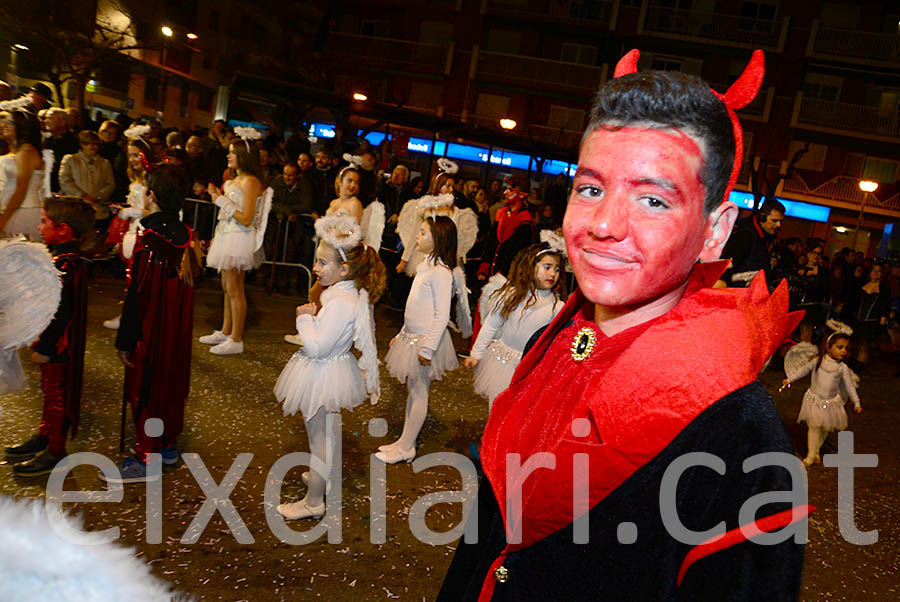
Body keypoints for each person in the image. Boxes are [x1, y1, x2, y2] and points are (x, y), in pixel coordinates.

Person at [437, 49, 808, 601]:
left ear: (715, 231)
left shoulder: (744, 440)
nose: (604, 225)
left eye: (654, 200)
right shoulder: (555, 340)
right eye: (590, 188)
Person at [273, 215, 385, 519]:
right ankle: (321, 475)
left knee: (319, 439)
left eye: (323, 263)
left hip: (322, 373)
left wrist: (304, 318)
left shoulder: (340, 303)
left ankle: (313, 502)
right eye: (317, 261)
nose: (316, 268)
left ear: (344, 269)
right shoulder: (342, 295)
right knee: (326, 434)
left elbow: (318, 347)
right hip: (329, 372)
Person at [101, 165, 201, 484]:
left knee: (145, 389)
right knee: (169, 386)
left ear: (152, 196)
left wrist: (125, 341)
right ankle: (166, 443)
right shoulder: (187, 238)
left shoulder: (149, 241)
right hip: (175, 334)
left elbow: (136, 296)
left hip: (150, 332)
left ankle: (147, 455)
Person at [5, 197, 93, 476]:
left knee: (56, 396)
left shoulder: (65, 267)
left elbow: (60, 314)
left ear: (63, 229)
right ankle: (46, 434)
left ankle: (55, 450)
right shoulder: (65, 261)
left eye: (45, 222)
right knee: (50, 394)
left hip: (57, 346)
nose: (40, 227)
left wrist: (45, 346)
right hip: (57, 343)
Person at [377, 216, 471, 464]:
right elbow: (413, 308)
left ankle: (408, 446)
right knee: (413, 391)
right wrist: (400, 335)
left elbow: (441, 314)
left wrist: (427, 349)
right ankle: (403, 440)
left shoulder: (441, 273)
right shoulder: (426, 266)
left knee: (419, 393)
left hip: (425, 341)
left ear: (438, 239)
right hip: (412, 337)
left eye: (423, 233)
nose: (417, 236)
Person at [465, 236, 567, 407]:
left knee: (518, 411)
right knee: (496, 407)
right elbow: (492, 323)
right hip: (501, 362)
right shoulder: (512, 295)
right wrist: (476, 353)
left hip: (529, 369)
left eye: (557, 269)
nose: (552, 274)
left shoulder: (557, 307)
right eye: (547, 267)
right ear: (530, 267)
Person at [200, 136, 272, 355]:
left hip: (239, 237)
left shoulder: (250, 181)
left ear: (243, 156)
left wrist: (221, 200)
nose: (228, 155)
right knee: (226, 287)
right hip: (227, 234)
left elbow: (247, 217)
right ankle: (225, 330)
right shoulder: (234, 180)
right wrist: (218, 197)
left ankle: (236, 338)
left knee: (235, 289)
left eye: (232, 152)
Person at [783, 322, 861, 468]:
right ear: (828, 346)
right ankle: (811, 455)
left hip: (830, 403)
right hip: (814, 400)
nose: (843, 351)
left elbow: (849, 386)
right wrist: (790, 378)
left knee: (825, 428)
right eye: (840, 347)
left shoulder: (842, 368)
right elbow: (803, 370)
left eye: (846, 348)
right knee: (814, 427)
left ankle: (816, 451)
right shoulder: (818, 361)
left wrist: (856, 402)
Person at [103, 126, 157, 330]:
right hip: (134, 230)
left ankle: (135, 317)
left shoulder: (153, 178)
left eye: (137, 155)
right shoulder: (136, 178)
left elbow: (155, 212)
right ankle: (130, 314)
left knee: (140, 279)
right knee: (132, 277)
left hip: (146, 233)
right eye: (130, 155)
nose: (133, 159)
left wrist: (133, 212)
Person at [396, 160, 478, 277]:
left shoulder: (454, 211)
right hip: (423, 256)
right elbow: (415, 234)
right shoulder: (425, 207)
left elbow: (453, 238)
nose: (450, 190)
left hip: (444, 258)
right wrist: (404, 260)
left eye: (452, 186)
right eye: (447, 185)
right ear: (438, 185)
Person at [0, 105, 51, 239]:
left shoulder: (26, 152)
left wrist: (3, 221)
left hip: (22, 212)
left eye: (9, 123)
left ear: (22, 127)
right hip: (11, 209)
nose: (3, 125)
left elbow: (21, 190)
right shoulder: (16, 151)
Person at [58, 130, 116, 232]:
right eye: (87, 144)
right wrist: (82, 195)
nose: (92, 147)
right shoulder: (70, 159)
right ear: (81, 144)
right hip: (75, 209)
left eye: (95, 144)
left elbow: (110, 184)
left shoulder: (105, 163)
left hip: (99, 210)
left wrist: (98, 196)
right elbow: (64, 180)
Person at [719, 198, 785, 287]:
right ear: (762, 217)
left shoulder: (770, 239)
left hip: (754, 293)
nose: (778, 225)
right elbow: (727, 264)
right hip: (737, 291)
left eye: (781, 221)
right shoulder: (746, 235)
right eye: (774, 220)